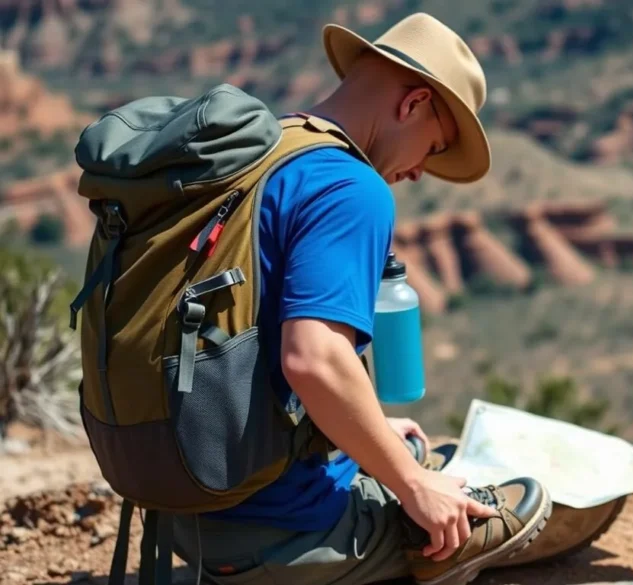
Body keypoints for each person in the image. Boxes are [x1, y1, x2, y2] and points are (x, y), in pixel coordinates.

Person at [169, 12, 552, 585]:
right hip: (280, 534)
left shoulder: (262, 153)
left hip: (188, 511)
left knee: (420, 457)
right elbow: (313, 359)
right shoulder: (350, 187)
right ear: (413, 103)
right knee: (483, 515)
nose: (422, 171)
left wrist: (355, 430)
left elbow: (248, 337)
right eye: (435, 145)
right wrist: (411, 484)